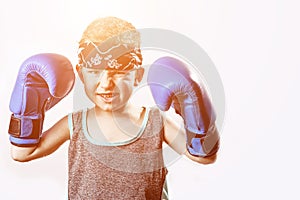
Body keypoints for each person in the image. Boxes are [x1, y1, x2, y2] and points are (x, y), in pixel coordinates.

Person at [9, 16, 219, 199]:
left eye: (118, 72)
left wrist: (194, 109)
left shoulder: (155, 122)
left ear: (137, 76)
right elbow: (22, 154)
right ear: (81, 75)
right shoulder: (75, 124)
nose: (106, 83)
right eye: (95, 72)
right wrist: (29, 108)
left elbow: (205, 156)